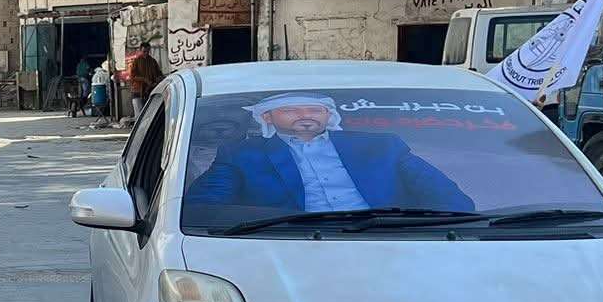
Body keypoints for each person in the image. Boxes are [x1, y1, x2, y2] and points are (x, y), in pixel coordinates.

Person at [187, 92, 472, 212]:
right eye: (291, 110)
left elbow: (450, 200)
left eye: (314, 110)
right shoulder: (240, 155)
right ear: (268, 117)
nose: (305, 115)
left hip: (389, 239)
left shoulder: (382, 146)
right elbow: (203, 209)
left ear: (328, 115)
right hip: (286, 246)